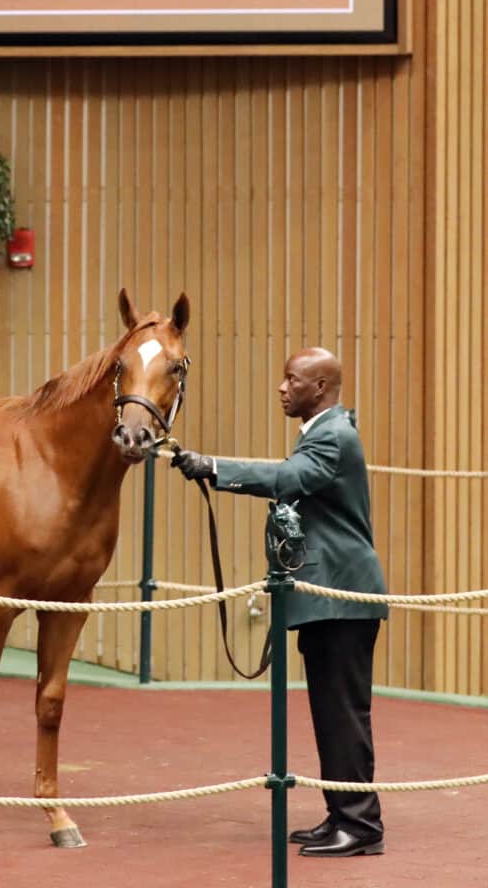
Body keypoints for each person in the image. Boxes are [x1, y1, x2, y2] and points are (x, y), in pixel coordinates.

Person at [172, 347, 388, 858]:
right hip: (331, 598)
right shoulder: (322, 432)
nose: (282, 387)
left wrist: (213, 467)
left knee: (342, 714)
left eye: (292, 379)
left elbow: (287, 480)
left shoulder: (332, 437)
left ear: (319, 388)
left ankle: (360, 826)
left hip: (342, 597)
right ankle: (344, 814)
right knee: (332, 714)